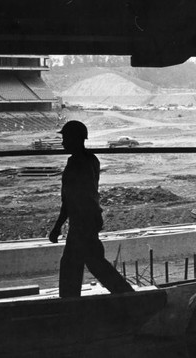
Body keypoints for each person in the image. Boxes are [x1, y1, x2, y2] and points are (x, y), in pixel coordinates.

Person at [49, 120, 134, 297]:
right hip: (87, 219)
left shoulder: (76, 163)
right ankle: (127, 295)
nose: (63, 142)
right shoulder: (91, 159)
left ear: (76, 138)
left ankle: (127, 296)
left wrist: (57, 227)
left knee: (78, 264)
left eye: (65, 138)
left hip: (82, 222)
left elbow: (71, 199)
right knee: (87, 262)